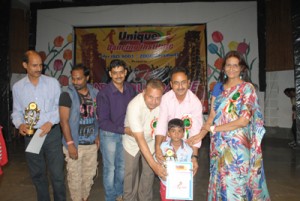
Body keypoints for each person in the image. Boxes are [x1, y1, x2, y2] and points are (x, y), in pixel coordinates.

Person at [187, 51, 270, 200]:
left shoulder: (247, 88)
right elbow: (211, 116)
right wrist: (199, 136)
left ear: (242, 68)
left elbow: (244, 120)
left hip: (238, 147)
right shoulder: (218, 88)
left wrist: (215, 129)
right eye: (228, 65)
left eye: (235, 65)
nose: (231, 68)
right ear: (223, 67)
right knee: (220, 183)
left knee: (236, 185)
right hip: (218, 145)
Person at [11, 50, 66, 201]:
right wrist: (20, 124)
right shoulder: (17, 87)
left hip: (51, 133)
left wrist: (50, 122)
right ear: (25, 65)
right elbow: (16, 112)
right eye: (34, 65)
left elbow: (59, 108)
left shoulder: (52, 83)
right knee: (37, 175)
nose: (39, 69)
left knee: (57, 175)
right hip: (31, 135)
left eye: (40, 65)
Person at [96, 59, 136, 201]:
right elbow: (103, 122)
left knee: (122, 167)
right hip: (109, 135)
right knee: (110, 169)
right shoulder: (104, 93)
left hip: (126, 134)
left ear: (125, 72)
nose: (118, 75)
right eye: (115, 73)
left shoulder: (131, 89)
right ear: (110, 74)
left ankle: (119, 194)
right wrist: (124, 130)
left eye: (121, 72)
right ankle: (110, 198)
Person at [59, 64, 99, 201]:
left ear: (87, 78)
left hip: (91, 143)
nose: (75, 82)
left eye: (79, 79)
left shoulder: (95, 93)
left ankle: (84, 198)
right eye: (73, 78)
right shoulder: (66, 95)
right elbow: (63, 121)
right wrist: (70, 144)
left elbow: (97, 117)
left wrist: (98, 136)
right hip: (75, 143)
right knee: (75, 177)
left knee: (89, 175)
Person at [123, 79, 167, 201]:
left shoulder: (162, 105)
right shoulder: (134, 105)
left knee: (148, 174)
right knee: (130, 174)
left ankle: (145, 199)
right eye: (150, 97)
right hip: (132, 142)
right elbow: (139, 138)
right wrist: (155, 165)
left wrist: (158, 147)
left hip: (152, 141)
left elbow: (162, 128)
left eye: (158, 98)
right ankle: (129, 199)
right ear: (143, 93)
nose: (154, 102)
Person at [155, 66, 203, 176]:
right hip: (167, 146)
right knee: (166, 177)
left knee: (183, 179)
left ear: (189, 83)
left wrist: (194, 157)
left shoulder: (195, 103)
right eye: (176, 83)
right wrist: (157, 147)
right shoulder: (166, 99)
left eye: (183, 82)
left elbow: (195, 131)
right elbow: (161, 124)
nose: (180, 87)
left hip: (185, 149)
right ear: (171, 84)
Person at [158, 118, 193, 201]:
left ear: (183, 133)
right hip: (166, 183)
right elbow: (159, 163)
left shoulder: (188, 150)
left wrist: (189, 172)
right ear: (168, 133)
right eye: (173, 131)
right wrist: (162, 175)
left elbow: (189, 167)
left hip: (180, 185)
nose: (176, 134)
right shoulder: (163, 147)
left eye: (179, 131)